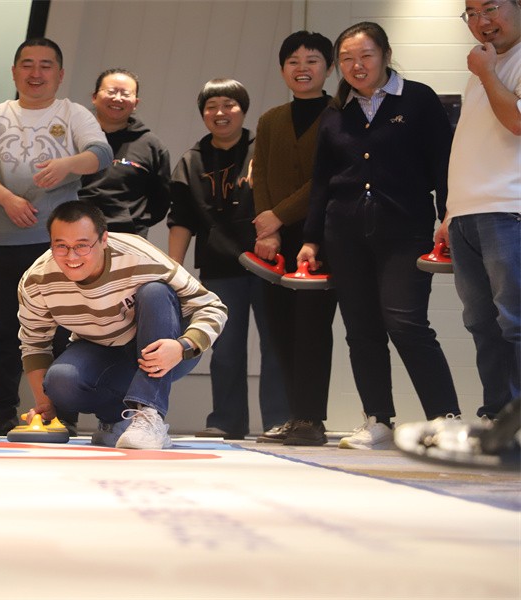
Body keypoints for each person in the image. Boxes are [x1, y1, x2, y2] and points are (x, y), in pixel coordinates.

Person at [299, 22, 461, 450]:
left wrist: (448, 213)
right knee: (361, 329)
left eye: (366, 55)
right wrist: (311, 239)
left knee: (406, 322)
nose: (357, 65)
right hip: (344, 234)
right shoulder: (335, 112)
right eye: (347, 59)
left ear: (386, 55)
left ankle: (445, 417)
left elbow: (443, 162)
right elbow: (321, 181)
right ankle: (378, 420)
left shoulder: (418, 99)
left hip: (405, 230)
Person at [0, 37, 112, 435]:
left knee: (63, 334)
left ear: (59, 74)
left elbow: (101, 154)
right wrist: (7, 199)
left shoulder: (73, 112)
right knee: (2, 334)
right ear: (14, 72)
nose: (36, 73)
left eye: (46, 65)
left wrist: (67, 165)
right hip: (2, 243)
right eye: (27, 64)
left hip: (60, 249)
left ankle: (62, 413)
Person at [19, 201, 227, 449]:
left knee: (155, 292)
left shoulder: (139, 255)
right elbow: (34, 345)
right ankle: (116, 420)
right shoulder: (37, 280)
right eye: (61, 246)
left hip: (168, 346)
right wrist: (45, 405)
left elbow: (212, 306)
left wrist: (183, 346)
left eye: (82, 246)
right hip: (102, 350)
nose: (72, 256)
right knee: (60, 381)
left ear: (103, 240)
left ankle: (149, 416)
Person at [167, 78, 287, 440]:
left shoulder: (263, 148)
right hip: (219, 267)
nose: (220, 113)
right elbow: (181, 220)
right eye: (211, 106)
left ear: (243, 110)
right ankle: (227, 420)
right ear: (203, 114)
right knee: (225, 348)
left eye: (228, 105)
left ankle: (279, 421)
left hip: (269, 263)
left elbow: (284, 201)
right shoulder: (191, 160)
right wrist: (172, 272)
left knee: (276, 344)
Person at [250, 31, 339, 446]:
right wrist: (266, 228)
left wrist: (277, 216)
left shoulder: (341, 114)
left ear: (329, 67)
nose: (302, 68)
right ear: (282, 68)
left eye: (312, 60)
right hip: (274, 243)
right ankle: (293, 415)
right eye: (293, 61)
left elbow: (326, 180)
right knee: (280, 330)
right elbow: (262, 176)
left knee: (312, 330)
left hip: (320, 238)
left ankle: (311, 419)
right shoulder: (270, 119)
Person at [436, 0, 520, 421]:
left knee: (515, 323)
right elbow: (474, 146)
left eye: (490, 8)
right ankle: (498, 418)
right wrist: (452, 212)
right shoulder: (483, 69)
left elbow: (517, 122)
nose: (481, 21)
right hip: (468, 215)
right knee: (482, 324)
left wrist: (486, 73)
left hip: (509, 210)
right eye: (471, 12)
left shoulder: (490, 67)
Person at [78, 68, 170, 237]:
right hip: (71, 232)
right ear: (94, 97)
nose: (118, 98)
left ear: (135, 103)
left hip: (127, 237)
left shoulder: (151, 145)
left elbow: (160, 202)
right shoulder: (73, 136)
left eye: (126, 94)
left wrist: (134, 221)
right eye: (111, 91)